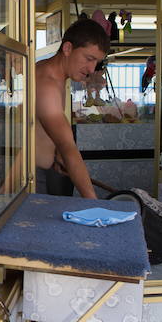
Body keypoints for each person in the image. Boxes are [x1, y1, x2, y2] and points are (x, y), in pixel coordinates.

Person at [35, 18, 110, 199]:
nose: (92, 69)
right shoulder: (47, 83)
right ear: (68, 48)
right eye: (89, 58)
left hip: (46, 170)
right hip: (32, 178)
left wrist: (58, 153)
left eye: (97, 62)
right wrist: (93, 202)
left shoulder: (56, 75)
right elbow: (68, 146)